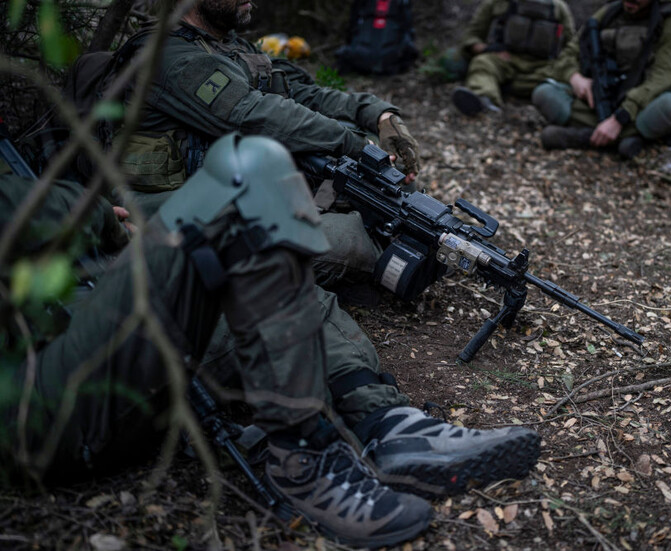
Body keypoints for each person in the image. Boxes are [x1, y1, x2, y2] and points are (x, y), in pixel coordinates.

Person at [0, 134, 541, 548]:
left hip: (77, 324)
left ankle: (388, 427)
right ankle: (304, 460)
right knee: (249, 176)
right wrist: (92, 213)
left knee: (269, 281)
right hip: (32, 397)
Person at [91, 0, 422, 288]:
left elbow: (304, 93)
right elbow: (255, 113)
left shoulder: (229, 46)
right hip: (165, 206)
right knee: (347, 242)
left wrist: (377, 114)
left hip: (231, 191)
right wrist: (356, 146)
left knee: (394, 195)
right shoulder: (168, 56)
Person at [531, 0, 671, 158]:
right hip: (602, 100)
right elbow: (568, 54)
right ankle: (627, 139)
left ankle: (587, 136)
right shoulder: (609, 13)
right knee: (544, 93)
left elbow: (664, 77)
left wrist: (622, 116)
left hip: (642, 105)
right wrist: (575, 77)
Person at [450, 0, 575, 116]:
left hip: (542, 69)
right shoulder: (499, 3)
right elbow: (471, 37)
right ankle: (483, 99)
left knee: (565, 78)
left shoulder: (558, 8)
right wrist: (489, 49)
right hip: (507, 63)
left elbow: (571, 47)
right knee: (483, 63)